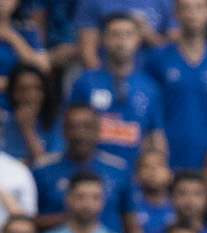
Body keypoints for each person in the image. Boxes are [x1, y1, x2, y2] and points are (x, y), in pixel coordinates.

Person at [142, 0, 207, 172]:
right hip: (166, 151)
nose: (192, 14)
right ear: (176, 14)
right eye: (186, 8)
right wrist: (153, 145)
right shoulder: (158, 59)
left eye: (199, 7)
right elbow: (146, 106)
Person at [67, 11, 166, 173]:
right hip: (90, 173)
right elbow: (68, 125)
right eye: (115, 35)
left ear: (138, 39)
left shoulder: (150, 87)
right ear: (104, 39)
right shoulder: (85, 82)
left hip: (132, 174)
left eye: (128, 35)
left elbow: (156, 136)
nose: (122, 41)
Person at [33, 104, 138, 233]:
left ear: (98, 130)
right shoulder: (42, 170)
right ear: (63, 131)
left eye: (87, 126)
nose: (80, 134)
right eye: (73, 127)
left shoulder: (118, 169)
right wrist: (73, 217)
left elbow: (131, 223)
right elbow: (30, 221)